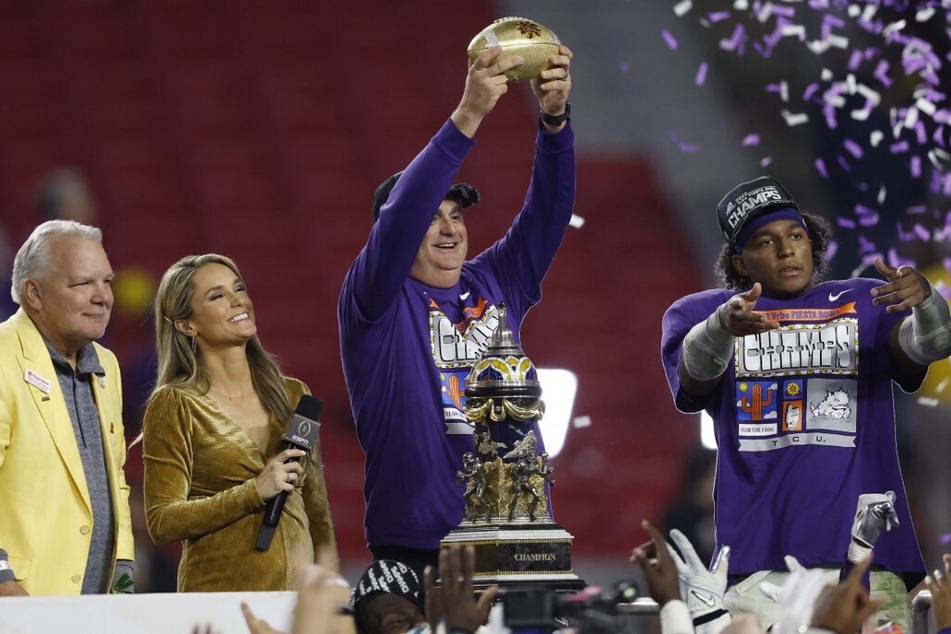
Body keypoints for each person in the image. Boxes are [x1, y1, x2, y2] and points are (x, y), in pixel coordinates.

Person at [660, 175, 951, 630]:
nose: (786, 249)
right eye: (765, 241)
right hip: (758, 562)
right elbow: (693, 378)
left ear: (812, 245)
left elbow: (931, 344)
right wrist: (721, 327)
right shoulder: (700, 314)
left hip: (870, 561)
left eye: (796, 236)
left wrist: (927, 300)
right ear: (740, 261)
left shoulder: (862, 299)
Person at [338, 42, 575, 580]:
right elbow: (399, 220)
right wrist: (468, 115)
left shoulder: (497, 280)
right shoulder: (373, 298)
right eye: (432, 217)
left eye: (457, 215)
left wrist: (556, 123)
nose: (449, 228)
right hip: (421, 545)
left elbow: (549, 212)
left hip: (519, 534)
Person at [141, 254, 338, 591]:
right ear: (186, 325)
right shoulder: (175, 403)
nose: (238, 300)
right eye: (217, 295)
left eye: (239, 288)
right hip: (220, 601)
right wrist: (254, 491)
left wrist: (331, 588)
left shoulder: (292, 395)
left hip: (297, 604)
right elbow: (162, 521)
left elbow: (316, 509)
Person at [0, 219, 135, 595]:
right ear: (34, 294)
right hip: (19, 603)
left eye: (106, 282)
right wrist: (2, 582)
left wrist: (122, 585)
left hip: (94, 607)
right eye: (82, 283)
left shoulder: (106, 365)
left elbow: (116, 484)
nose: (103, 296)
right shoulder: (2, 358)